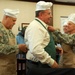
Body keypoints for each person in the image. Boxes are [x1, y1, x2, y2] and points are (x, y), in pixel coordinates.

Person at [0, 8, 28, 75]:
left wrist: (22, 49)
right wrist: (18, 47)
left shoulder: (10, 31)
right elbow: (0, 47)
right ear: (6, 17)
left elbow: (12, 47)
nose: (15, 23)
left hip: (11, 68)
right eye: (13, 20)